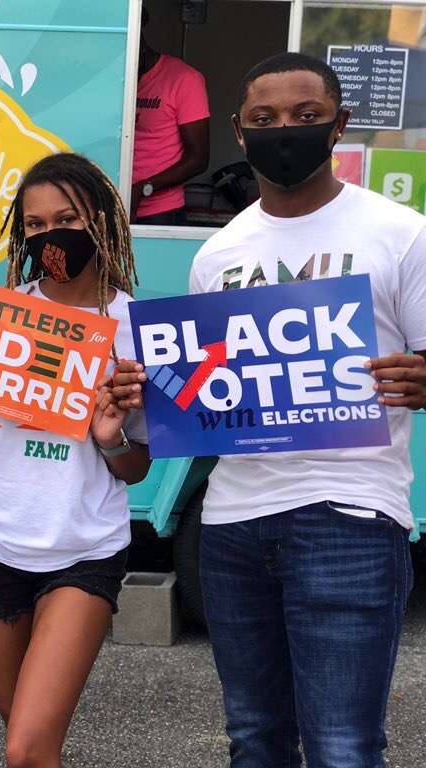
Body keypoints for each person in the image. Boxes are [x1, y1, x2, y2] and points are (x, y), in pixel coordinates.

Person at [113, 53, 426, 767]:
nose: (285, 130)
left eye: (306, 116)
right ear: (240, 131)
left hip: (351, 516)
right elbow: (204, 390)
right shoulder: (218, 254)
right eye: (266, 118)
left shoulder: (401, 233)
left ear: (339, 124)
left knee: (344, 747)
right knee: (254, 740)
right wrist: (145, 392)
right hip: (231, 524)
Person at [0, 153, 150, 768]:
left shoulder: (134, 330)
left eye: (65, 220)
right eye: (35, 225)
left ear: (101, 222)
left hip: (84, 549)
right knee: (24, 736)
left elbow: (137, 468)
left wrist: (109, 437)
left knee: (26, 747)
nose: (50, 237)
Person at [131, 6, 210, 225]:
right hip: (114, 204)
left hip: (161, 211)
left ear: (142, 49)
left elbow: (199, 159)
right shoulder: (120, 79)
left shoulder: (184, 79)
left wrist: (143, 188)